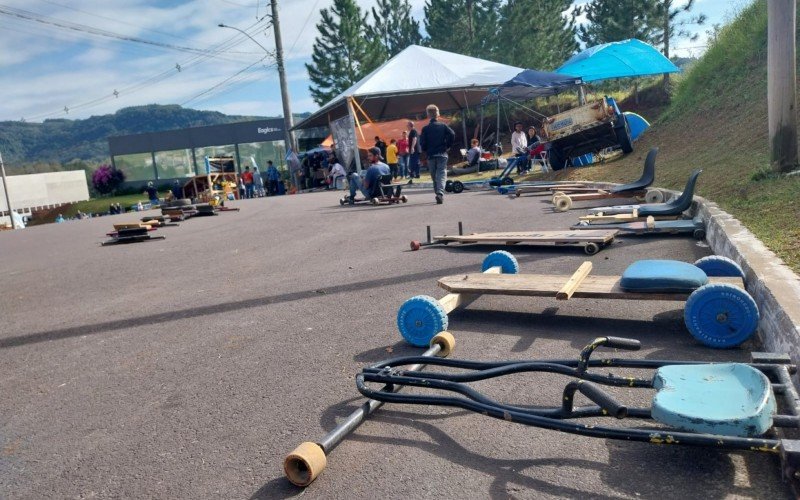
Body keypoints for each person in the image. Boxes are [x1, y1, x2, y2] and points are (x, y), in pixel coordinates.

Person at [419, 104, 455, 205]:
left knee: (434, 175)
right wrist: (447, 145)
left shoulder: (425, 129)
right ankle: (439, 193)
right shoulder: (443, 126)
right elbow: (452, 134)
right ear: (438, 114)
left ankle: (438, 193)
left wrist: (425, 149)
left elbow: (422, 143)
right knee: (441, 173)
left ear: (428, 115)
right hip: (442, 153)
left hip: (431, 154)